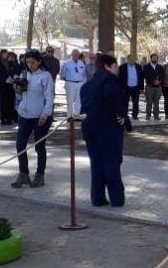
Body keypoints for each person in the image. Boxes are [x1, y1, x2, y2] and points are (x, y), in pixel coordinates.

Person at [80, 53, 129, 207]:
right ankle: (117, 200)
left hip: (90, 129)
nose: (117, 70)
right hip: (109, 129)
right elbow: (116, 101)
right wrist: (122, 116)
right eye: (115, 67)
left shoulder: (87, 85)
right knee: (111, 163)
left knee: (96, 164)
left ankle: (97, 198)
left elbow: (84, 108)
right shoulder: (111, 82)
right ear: (108, 67)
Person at [11, 50, 54, 188]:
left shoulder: (45, 76)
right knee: (20, 145)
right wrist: (17, 92)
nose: (30, 65)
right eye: (27, 62)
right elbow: (20, 96)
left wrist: (45, 114)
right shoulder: (23, 74)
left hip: (40, 116)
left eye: (33, 62)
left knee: (39, 146)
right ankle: (23, 174)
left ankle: (39, 175)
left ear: (39, 62)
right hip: (24, 115)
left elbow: (49, 96)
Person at [60, 48, 87, 116]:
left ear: (79, 55)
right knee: (70, 100)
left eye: (77, 54)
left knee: (78, 100)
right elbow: (62, 74)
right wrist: (69, 80)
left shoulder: (81, 63)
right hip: (70, 83)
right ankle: (69, 116)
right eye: (74, 54)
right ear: (71, 55)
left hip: (80, 83)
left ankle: (77, 115)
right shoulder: (66, 63)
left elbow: (84, 74)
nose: (76, 56)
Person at [0, 49, 16, 125]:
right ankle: (3, 119)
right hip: (2, 84)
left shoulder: (10, 63)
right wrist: (4, 79)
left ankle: (9, 118)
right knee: (3, 102)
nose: (6, 55)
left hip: (10, 84)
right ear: (1, 54)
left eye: (7, 54)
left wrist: (11, 77)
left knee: (10, 102)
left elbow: (13, 71)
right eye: (4, 54)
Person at [118, 54, 143, 119]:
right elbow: (119, 78)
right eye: (130, 59)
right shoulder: (122, 67)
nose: (132, 61)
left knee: (136, 102)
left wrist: (141, 88)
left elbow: (141, 77)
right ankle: (124, 115)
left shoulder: (138, 67)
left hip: (136, 87)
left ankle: (135, 115)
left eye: (133, 59)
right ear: (127, 60)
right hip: (126, 88)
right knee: (125, 102)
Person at [143, 52, 165, 120]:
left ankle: (156, 116)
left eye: (156, 58)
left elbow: (162, 76)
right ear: (151, 58)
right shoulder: (146, 67)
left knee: (156, 102)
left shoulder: (160, 67)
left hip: (158, 87)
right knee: (149, 102)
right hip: (149, 87)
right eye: (153, 57)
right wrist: (153, 81)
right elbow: (145, 76)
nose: (155, 59)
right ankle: (148, 115)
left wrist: (159, 81)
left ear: (157, 59)